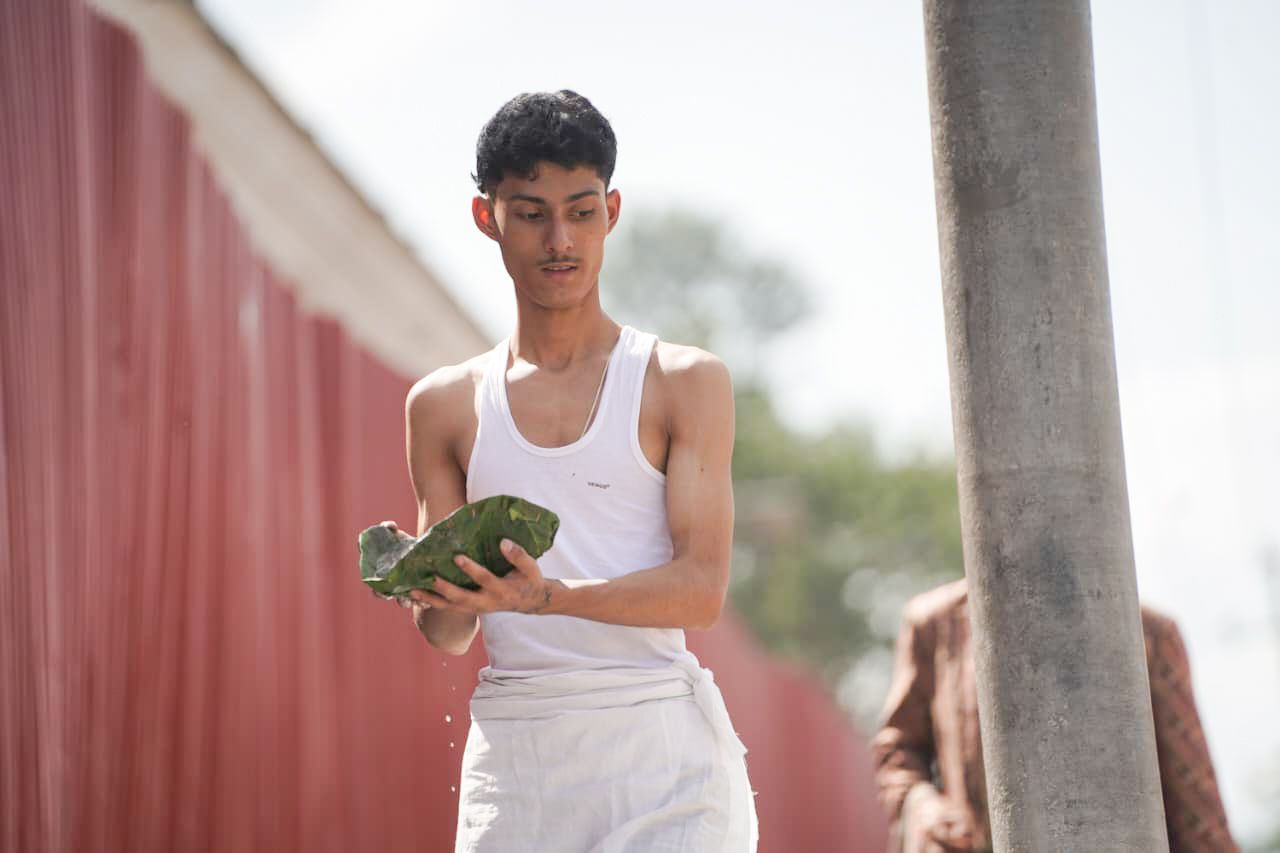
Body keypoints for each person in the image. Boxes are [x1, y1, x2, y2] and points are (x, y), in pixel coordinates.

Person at [387, 90, 757, 852]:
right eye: (530, 213)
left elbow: (700, 591)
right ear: (486, 217)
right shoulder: (445, 406)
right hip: (517, 761)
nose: (560, 239)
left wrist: (544, 595)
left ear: (612, 211)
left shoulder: (682, 381)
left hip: (662, 758)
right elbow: (451, 634)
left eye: (581, 211)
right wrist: (426, 582)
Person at [873, 577, 1238, 853]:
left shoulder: (1145, 632)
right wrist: (923, 807)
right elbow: (897, 752)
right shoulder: (938, 625)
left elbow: (1195, 806)